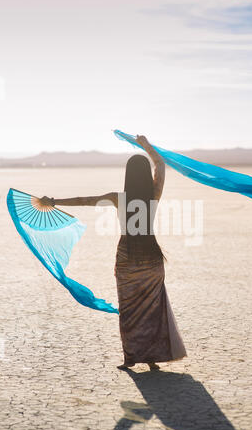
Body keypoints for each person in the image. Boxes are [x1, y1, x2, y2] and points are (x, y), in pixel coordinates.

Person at [41, 135, 187, 371]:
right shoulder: (153, 195)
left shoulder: (119, 198)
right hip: (151, 257)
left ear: (127, 176)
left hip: (128, 257)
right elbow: (160, 166)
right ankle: (150, 358)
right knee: (153, 308)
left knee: (129, 309)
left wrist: (54, 201)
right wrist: (146, 146)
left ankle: (131, 357)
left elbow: (85, 200)